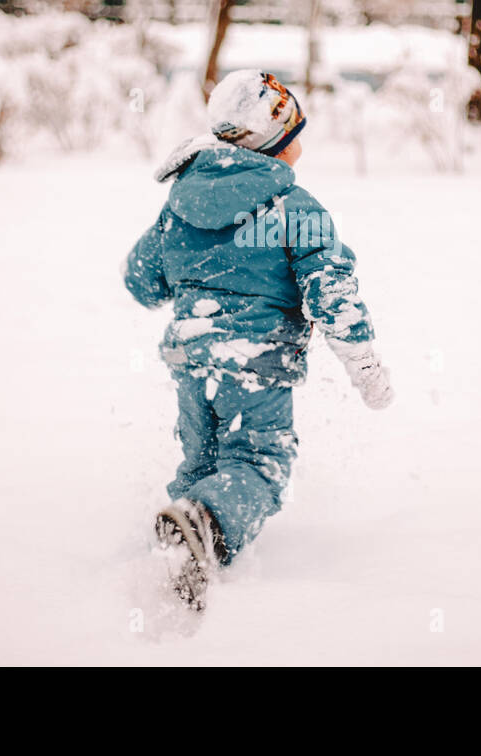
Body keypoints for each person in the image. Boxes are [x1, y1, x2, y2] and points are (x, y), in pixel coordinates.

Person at [123, 70, 393, 609]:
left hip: (190, 358)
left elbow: (141, 279)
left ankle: (181, 547)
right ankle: (202, 524)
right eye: (294, 139)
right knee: (258, 463)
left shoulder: (180, 202)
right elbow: (332, 296)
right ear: (273, 142)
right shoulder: (295, 209)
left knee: (202, 464)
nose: (300, 150)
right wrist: (364, 366)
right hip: (257, 365)